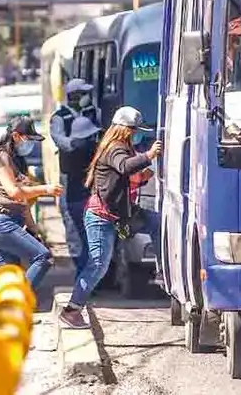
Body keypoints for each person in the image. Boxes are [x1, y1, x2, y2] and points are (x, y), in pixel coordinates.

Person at [58, 106, 162, 329]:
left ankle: (163, 270)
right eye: (133, 131)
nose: (136, 135)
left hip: (120, 213)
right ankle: (71, 310)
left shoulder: (120, 147)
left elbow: (126, 177)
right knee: (97, 265)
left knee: (156, 222)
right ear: (124, 130)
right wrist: (149, 156)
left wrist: (144, 175)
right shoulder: (115, 148)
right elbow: (124, 167)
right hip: (101, 217)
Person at [0, 117, 61, 292]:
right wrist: (45, 189)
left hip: (10, 222)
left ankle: (8, 314)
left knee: (10, 278)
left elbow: (22, 201)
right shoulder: (0, 157)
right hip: (0, 222)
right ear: (16, 136)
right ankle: (21, 299)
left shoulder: (16, 160)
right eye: (28, 139)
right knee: (43, 257)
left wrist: (33, 228)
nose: (30, 144)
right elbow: (14, 192)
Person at [48, 78, 102, 278]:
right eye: (83, 94)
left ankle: (97, 273)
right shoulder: (60, 118)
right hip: (71, 182)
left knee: (95, 227)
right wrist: (79, 142)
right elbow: (62, 142)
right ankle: (82, 274)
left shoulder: (93, 114)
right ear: (74, 97)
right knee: (75, 231)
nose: (87, 97)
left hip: (92, 179)